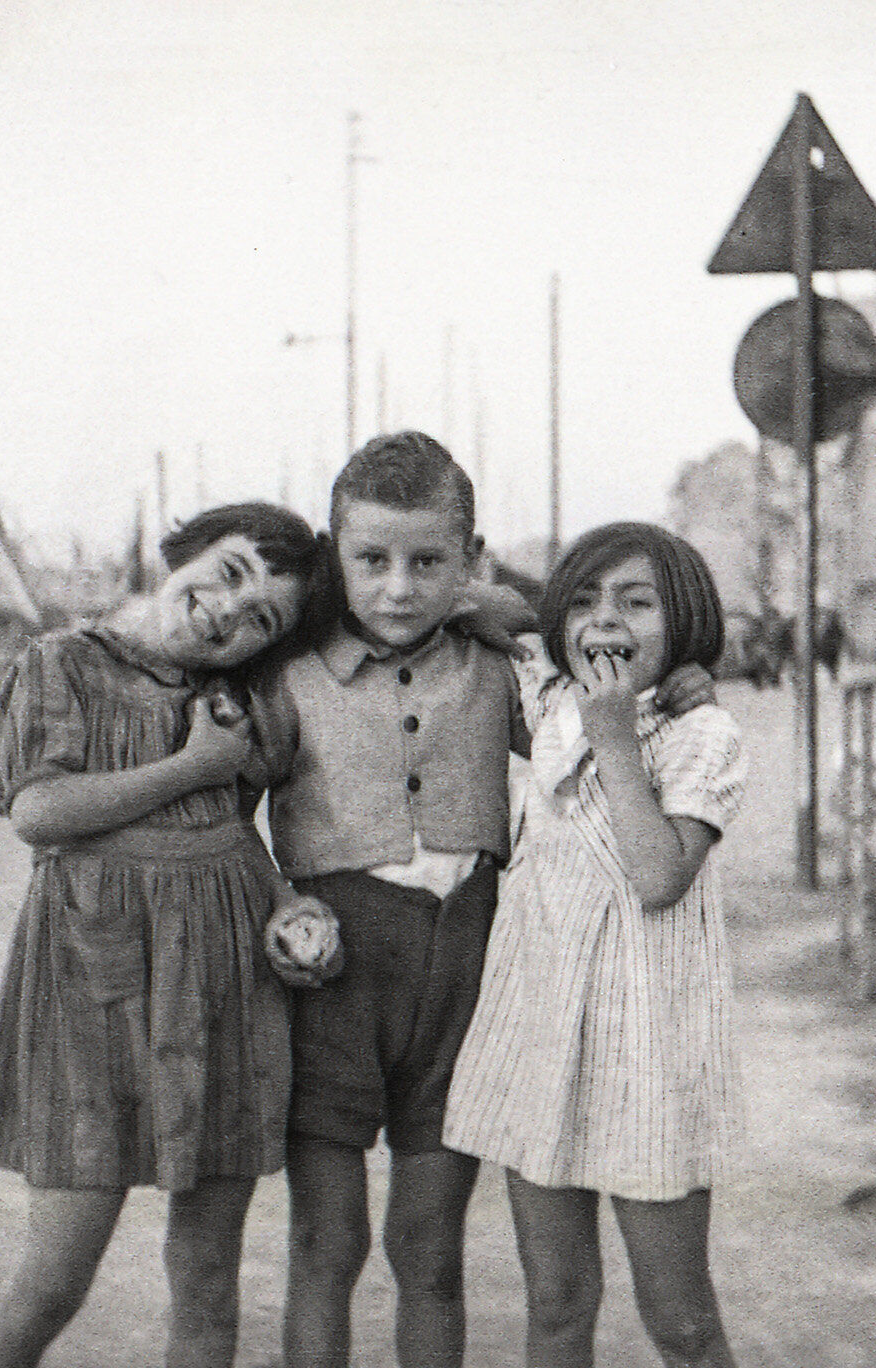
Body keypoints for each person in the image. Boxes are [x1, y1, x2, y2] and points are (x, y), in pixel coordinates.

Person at [249, 434, 713, 1368]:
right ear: (334, 557)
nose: (397, 588)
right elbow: (223, 814)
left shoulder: (499, 667)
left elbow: (589, 699)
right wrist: (276, 900)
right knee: (325, 1246)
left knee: (428, 1247)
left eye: (428, 562)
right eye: (370, 560)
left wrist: (676, 686)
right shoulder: (287, 676)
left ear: (469, 558)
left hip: (466, 979)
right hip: (330, 988)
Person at [0, 501, 345, 1368]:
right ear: (185, 551)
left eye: (263, 620)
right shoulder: (61, 665)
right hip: (87, 999)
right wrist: (191, 766)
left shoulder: (244, 703)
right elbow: (40, 811)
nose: (229, 611)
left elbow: (227, 829)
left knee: (207, 1274)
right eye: (230, 571)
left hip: (223, 997)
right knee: (53, 1283)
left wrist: (287, 903)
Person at [443, 522, 747, 1368]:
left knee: (679, 1319)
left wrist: (614, 733)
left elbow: (657, 879)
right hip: (542, 1038)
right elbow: (478, 602)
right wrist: (535, 610)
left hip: (649, 1052)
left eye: (637, 602)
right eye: (585, 601)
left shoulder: (703, 736)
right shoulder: (548, 699)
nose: (605, 620)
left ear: (684, 622)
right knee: (558, 1305)